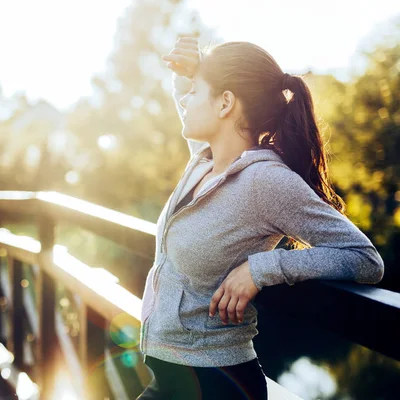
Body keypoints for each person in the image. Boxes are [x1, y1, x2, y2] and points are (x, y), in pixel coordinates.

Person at [136, 37, 385, 399]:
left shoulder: (265, 181)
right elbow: (191, 111)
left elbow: (364, 259)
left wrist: (262, 269)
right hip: (170, 376)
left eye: (195, 92)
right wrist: (189, 76)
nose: (185, 99)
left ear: (225, 103)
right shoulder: (204, 164)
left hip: (217, 384)